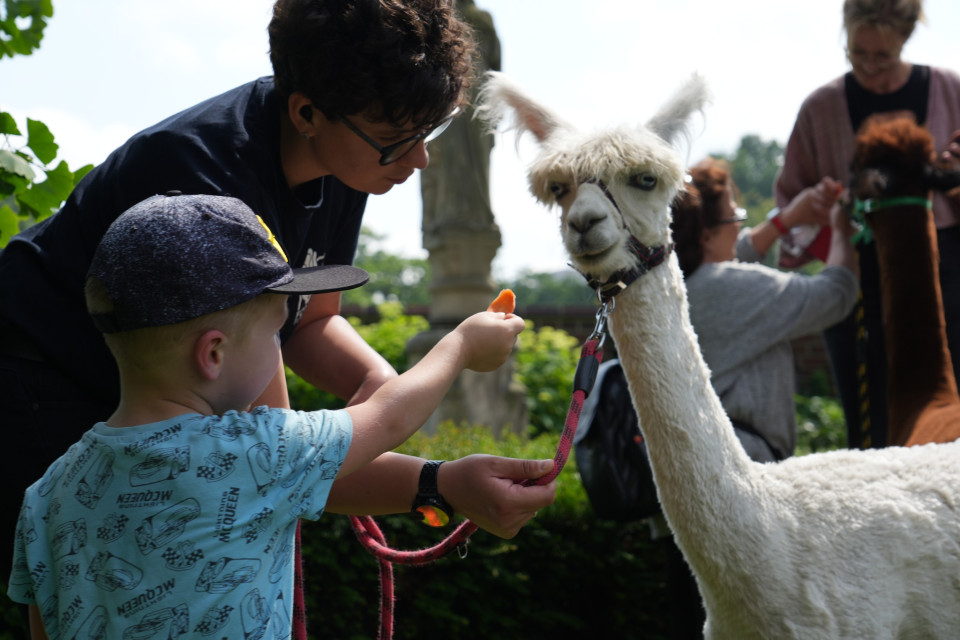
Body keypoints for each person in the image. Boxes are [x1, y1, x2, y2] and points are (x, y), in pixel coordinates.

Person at [0, 1, 556, 635]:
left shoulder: (349, 158)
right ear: (307, 114)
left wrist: (374, 386)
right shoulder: (203, 195)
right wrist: (433, 467)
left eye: (430, 131)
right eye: (398, 138)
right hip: (36, 377)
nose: (419, 160)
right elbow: (268, 447)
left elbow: (310, 322)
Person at [7, 193, 530, 640]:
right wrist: (463, 344)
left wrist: (446, 481)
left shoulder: (47, 495)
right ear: (212, 354)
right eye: (273, 333)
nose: (279, 349)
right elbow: (388, 417)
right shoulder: (254, 453)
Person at [655, 158, 860, 638]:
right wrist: (841, 230)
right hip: (736, 498)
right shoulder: (736, 288)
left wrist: (785, 221)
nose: (742, 227)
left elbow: (728, 254)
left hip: (678, 501)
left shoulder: (672, 285)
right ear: (706, 233)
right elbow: (836, 293)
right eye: (734, 217)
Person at [775, 0, 960, 449]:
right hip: (859, 284)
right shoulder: (821, 108)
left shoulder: (950, 91)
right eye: (858, 54)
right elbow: (791, 203)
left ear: (907, 38)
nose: (870, 68)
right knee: (871, 431)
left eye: (883, 57)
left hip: (946, 277)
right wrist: (817, 210)